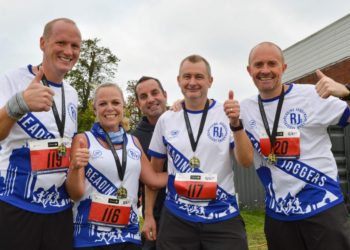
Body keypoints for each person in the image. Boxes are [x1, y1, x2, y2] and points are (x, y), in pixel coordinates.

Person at [240, 41, 350, 250]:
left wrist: (345, 91)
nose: (265, 70)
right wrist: (178, 106)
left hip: (323, 209)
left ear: (283, 68)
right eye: (258, 64)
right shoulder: (245, 109)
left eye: (272, 63)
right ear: (249, 70)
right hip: (279, 216)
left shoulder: (311, 96)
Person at [144, 54, 253, 250]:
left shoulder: (227, 114)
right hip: (178, 218)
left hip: (221, 214)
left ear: (210, 81)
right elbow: (153, 174)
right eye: (187, 77)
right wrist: (149, 215)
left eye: (199, 77)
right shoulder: (167, 119)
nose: (192, 82)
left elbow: (246, 161)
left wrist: (236, 125)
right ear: (179, 80)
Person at [0, 18, 81, 250]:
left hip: (58, 211)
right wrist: (19, 104)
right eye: (61, 43)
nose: (68, 51)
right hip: (15, 205)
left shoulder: (72, 93)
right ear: (43, 43)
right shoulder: (12, 80)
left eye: (75, 46)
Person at [66, 83, 168, 249]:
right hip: (90, 237)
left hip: (128, 235)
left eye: (115, 102)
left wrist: (182, 175)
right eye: (102, 104)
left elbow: (153, 180)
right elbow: (76, 194)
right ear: (95, 109)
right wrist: (75, 168)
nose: (109, 108)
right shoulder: (83, 140)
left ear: (123, 106)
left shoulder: (133, 142)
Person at [132, 76, 168, 250]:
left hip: (189, 212)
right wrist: (147, 216)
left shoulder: (183, 121)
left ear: (165, 95)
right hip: (155, 217)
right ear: (138, 104)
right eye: (144, 96)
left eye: (155, 93)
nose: (151, 99)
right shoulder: (134, 139)